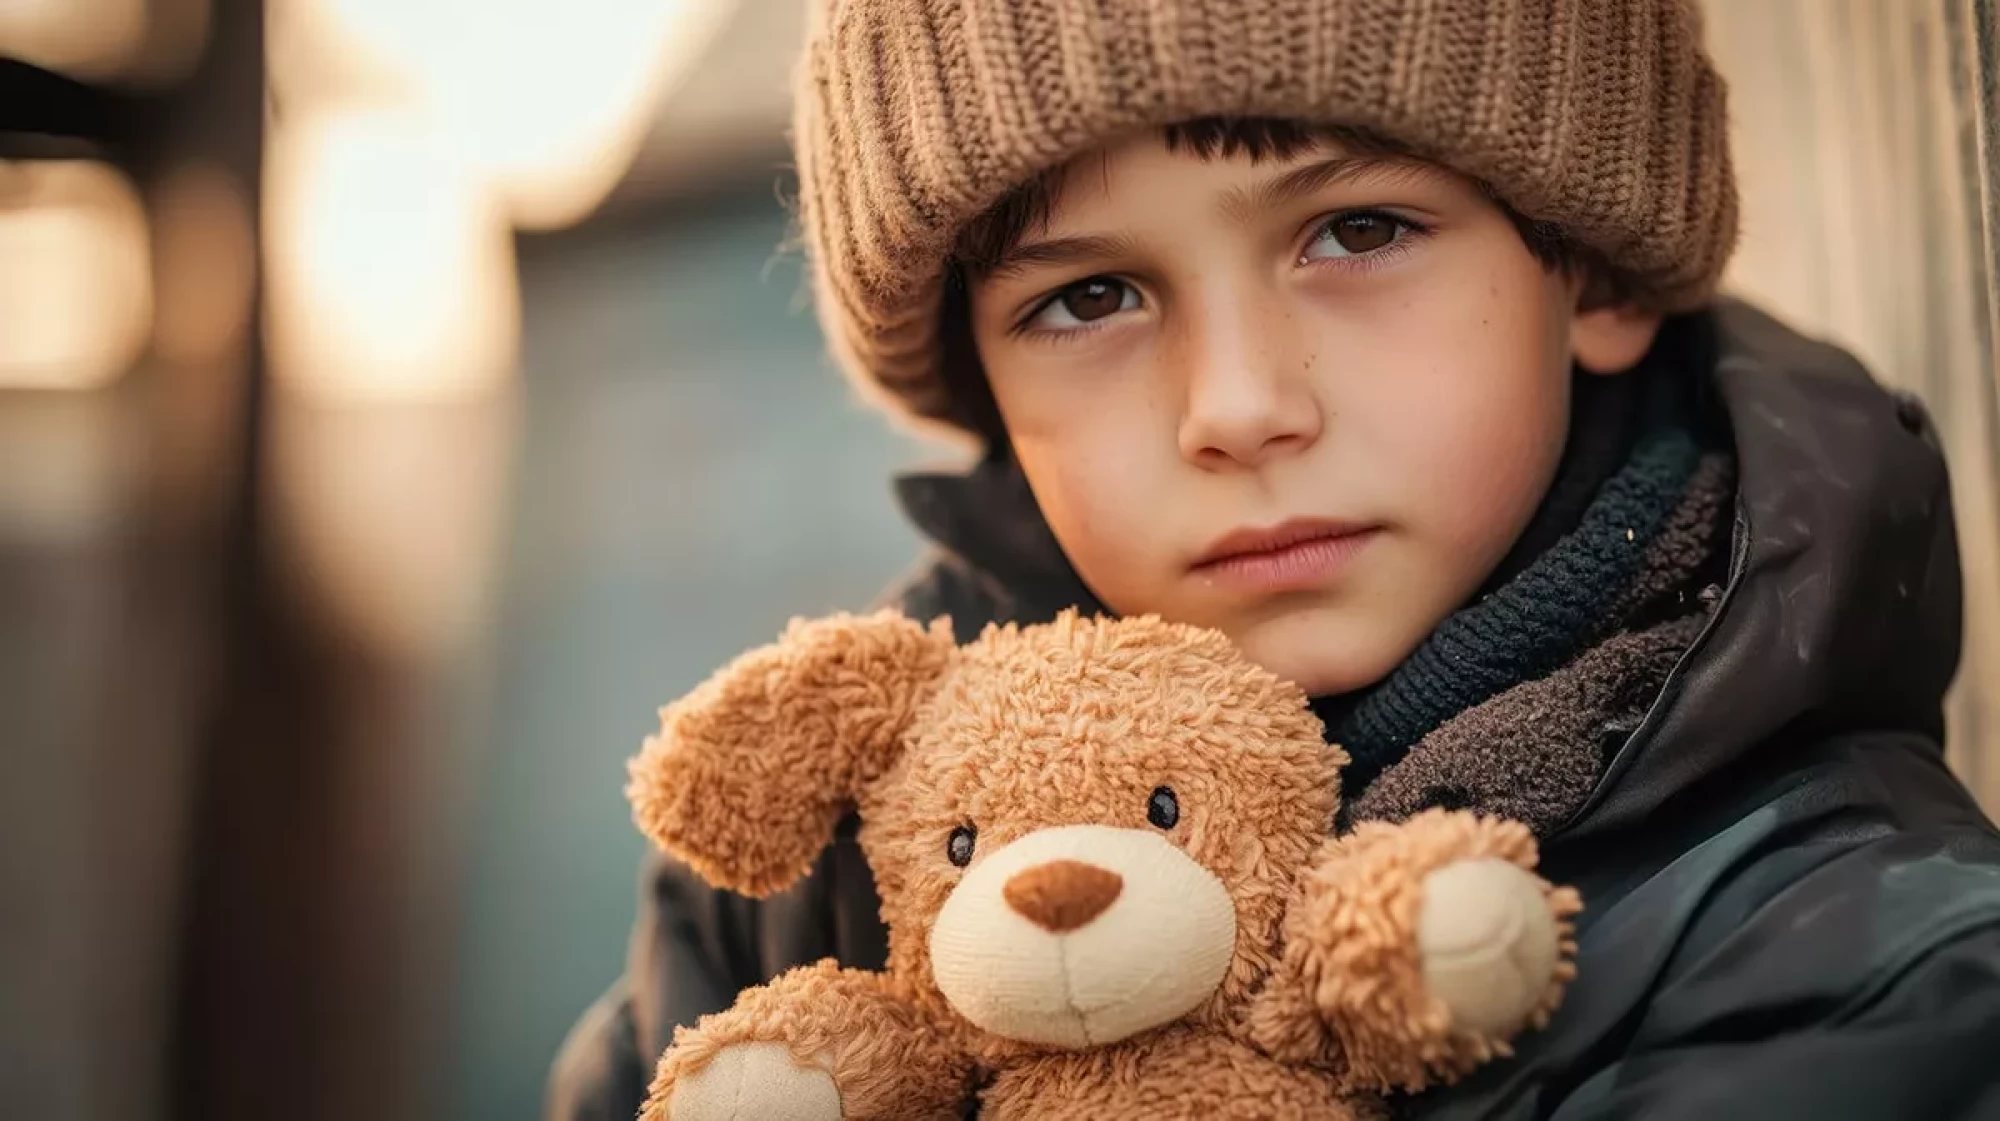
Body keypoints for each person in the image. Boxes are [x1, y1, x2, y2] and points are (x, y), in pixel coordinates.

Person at [547, 2, 2000, 1118]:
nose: (1239, 406)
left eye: (1357, 231)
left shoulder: (1850, 949)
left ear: (1592, 271)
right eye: (1090, 295)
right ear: (986, 386)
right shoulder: (826, 884)